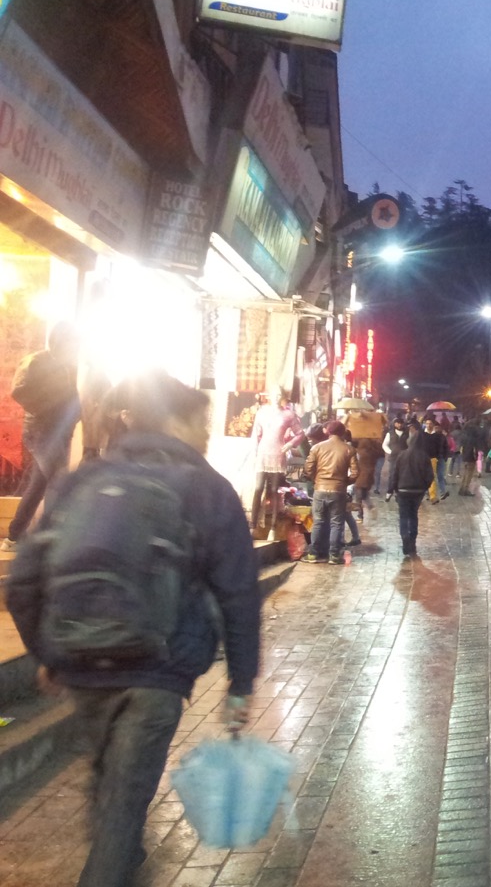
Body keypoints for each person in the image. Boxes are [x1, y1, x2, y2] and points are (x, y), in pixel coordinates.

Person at [7, 372, 260, 887]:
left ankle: (124, 859)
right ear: (174, 420)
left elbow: (24, 580)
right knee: (125, 800)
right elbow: (238, 593)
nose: (206, 433)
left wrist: (47, 653)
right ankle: (112, 867)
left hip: (81, 660)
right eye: (200, 420)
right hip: (156, 670)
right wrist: (240, 684)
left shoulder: (84, 479)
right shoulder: (207, 489)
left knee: (108, 780)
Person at [3, 323, 80, 550]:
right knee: (57, 481)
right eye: (70, 342)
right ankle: (52, 539)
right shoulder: (36, 361)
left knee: (41, 483)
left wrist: (73, 416)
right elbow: (19, 391)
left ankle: (15, 536)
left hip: (59, 431)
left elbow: (71, 397)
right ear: (58, 341)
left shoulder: (68, 365)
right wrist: (48, 408)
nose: (73, 347)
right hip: (41, 430)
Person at [249, 388, 304, 534]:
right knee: (258, 488)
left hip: (278, 452)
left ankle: (273, 527)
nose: (276, 397)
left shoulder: (288, 414)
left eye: (279, 395)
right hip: (262, 452)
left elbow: (300, 433)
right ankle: (253, 525)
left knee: (274, 490)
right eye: (274, 394)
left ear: (282, 397)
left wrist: (290, 444)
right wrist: (254, 451)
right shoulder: (262, 412)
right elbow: (256, 433)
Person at [302, 420, 357, 564]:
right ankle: (334, 556)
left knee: (318, 522)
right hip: (338, 491)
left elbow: (308, 469)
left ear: (328, 432)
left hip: (319, 489)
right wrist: (344, 482)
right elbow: (355, 473)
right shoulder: (349, 449)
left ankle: (313, 554)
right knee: (336, 523)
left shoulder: (317, 448)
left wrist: (316, 480)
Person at [385, 419, 434, 557]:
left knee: (403, 517)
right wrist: (424, 487)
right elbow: (430, 476)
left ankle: (405, 539)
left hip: (403, 490)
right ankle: (412, 541)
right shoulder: (424, 456)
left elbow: (395, 473)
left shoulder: (402, 455)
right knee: (413, 516)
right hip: (417, 491)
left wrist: (393, 489)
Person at [422, 416, 451, 504]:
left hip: (438, 458)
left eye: (430, 423)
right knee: (429, 477)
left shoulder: (439, 436)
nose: (428, 425)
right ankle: (429, 494)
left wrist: (445, 456)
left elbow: (445, 446)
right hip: (427, 458)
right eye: (427, 423)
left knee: (439, 476)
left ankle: (439, 493)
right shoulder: (422, 434)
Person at [457, 419, 484, 497]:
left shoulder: (463, 436)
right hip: (471, 457)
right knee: (469, 474)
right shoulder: (473, 438)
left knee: (465, 473)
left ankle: (462, 488)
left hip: (465, 456)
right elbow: (475, 448)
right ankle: (465, 490)